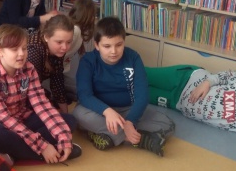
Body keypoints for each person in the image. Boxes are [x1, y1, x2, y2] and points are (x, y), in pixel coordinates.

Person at [0, 24, 81, 164]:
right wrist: (42, 146)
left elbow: (42, 105)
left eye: (24, 48)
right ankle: (46, 154)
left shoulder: (29, 68)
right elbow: (3, 117)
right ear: (0, 51)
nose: (21, 54)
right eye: (15, 49)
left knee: (69, 121)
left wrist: (64, 137)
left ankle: (13, 154)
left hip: (22, 118)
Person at [74, 17, 175, 155]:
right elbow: (84, 95)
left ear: (124, 42)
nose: (113, 51)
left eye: (119, 45)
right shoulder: (88, 61)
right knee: (78, 115)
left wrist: (130, 121)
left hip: (127, 110)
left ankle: (104, 135)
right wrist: (107, 111)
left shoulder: (133, 57)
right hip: (99, 112)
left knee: (167, 123)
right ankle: (139, 139)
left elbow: (142, 95)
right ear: (97, 45)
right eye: (107, 46)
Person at [146, 65, 236, 142]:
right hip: (186, 77)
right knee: (143, 74)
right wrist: (207, 82)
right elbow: (227, 75)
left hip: (176, 102)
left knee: (138, 93)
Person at [26, 14, 75, 112]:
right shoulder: (33, 50)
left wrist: (66, 113)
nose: (65, 47)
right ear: (46, 37)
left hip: (36, 89)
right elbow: (33, 90)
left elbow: (57, 80)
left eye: (69, 42)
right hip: (24, 94)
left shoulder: (57, 48)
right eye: (59, 42)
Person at [63, 0, 98, 101]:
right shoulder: (75, 31)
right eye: (94, 15)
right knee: (91, 91)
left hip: (62, 73)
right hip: (59, 76)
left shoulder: (78, 29)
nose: (94, 18)